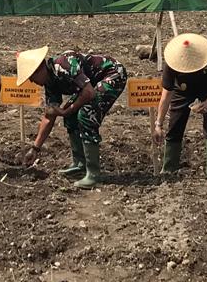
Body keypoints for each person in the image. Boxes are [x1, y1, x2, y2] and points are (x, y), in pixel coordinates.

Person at [18, 46, 129, 188]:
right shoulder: (50, 82)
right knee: (70, 116)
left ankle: (93, 174)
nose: (32, 81)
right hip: (91, 84)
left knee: (86, 115)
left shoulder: (64, 65)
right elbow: (49, 116)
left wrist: (67, 110)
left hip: (112, 74)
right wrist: (35, 148)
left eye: (32, 77)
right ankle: (80, 164)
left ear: (39, 69)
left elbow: (89, 93)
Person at [155, 33, 207, 180]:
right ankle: (169, 167)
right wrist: (158, 124)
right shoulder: (171, 61)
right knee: (175, 122)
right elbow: (166, 94)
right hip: (182, 89)